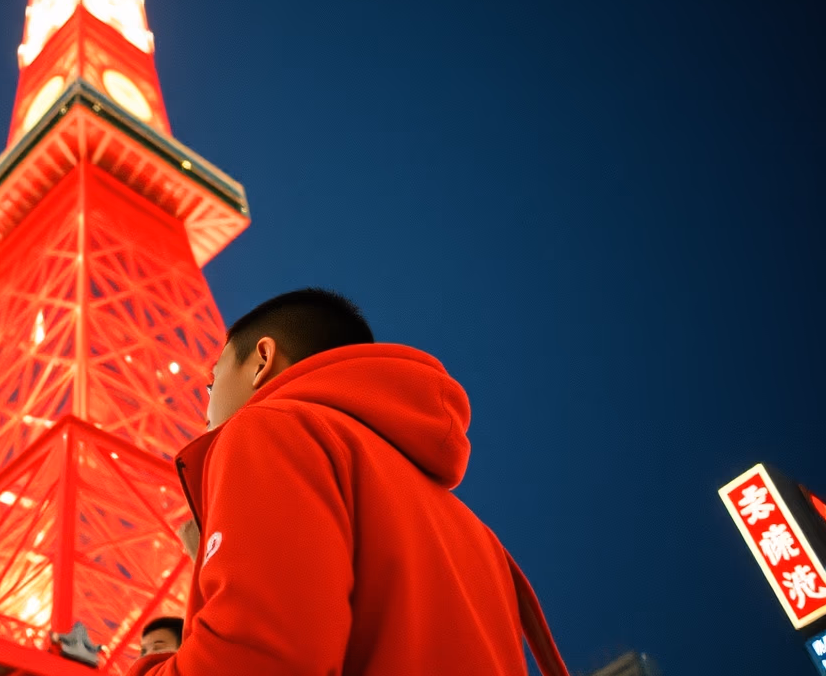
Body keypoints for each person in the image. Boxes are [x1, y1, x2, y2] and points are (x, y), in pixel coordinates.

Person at [129, 288, 569, 676]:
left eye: (211, 382)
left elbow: (262, 656)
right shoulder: (476, 534)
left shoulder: (267, 429)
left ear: (262, 359)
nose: (204, 406)